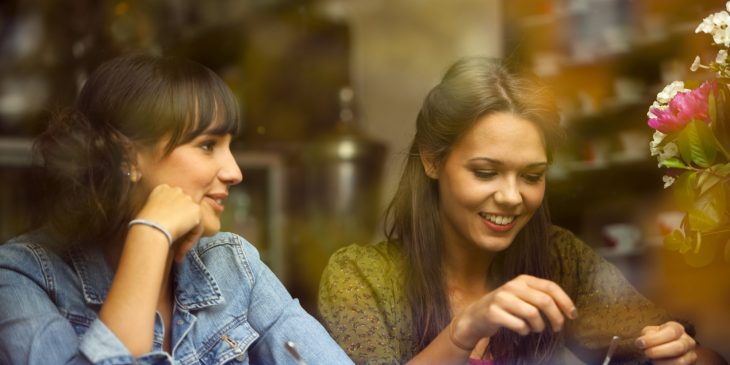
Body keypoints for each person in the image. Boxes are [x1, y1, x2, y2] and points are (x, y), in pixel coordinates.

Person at [318, 57, 728, 364]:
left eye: (532, 176)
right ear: (432, 161)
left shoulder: (558, 258)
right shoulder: (360, 277)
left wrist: (679, 352)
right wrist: (465, 330)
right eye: (485, 172)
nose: (513, 197)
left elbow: (705, 356)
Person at [0, 54, 353, 365]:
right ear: (127, 157)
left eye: (230, 147)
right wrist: (151, 234)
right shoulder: (21, 278)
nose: (234, 172)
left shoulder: (232, 265)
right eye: (207, 145)